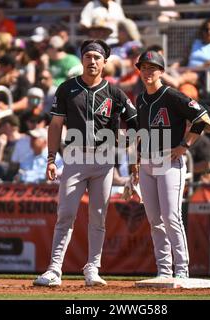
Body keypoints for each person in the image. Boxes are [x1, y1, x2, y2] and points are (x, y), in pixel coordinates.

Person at [33, 39, 138, 287]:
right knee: (66, 214)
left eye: (97, 57)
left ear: (105, 62)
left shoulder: (115, 92)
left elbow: (135, 125)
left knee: (98, 216)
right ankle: (54, 269)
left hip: (104, 159)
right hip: (75, 156)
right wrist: (51, 158)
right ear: (82, 59)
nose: (92, 61)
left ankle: (93, 268)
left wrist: (132, 159)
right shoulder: (67, 88)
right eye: (88, 56)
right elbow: (56, 125)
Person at [132, 50, 210, 279]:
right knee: (155, 221)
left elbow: (203, 119)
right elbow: (141, 133)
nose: (147, 72)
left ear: (161, 71)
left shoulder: (171, 95)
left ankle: (182, 270)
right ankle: (164, 270)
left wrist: (184, 146)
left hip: (169, 161)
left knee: (171, 217)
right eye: (143, 68)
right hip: (147, 161)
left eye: (152, 68)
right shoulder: (140, 99)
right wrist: (136, 162)